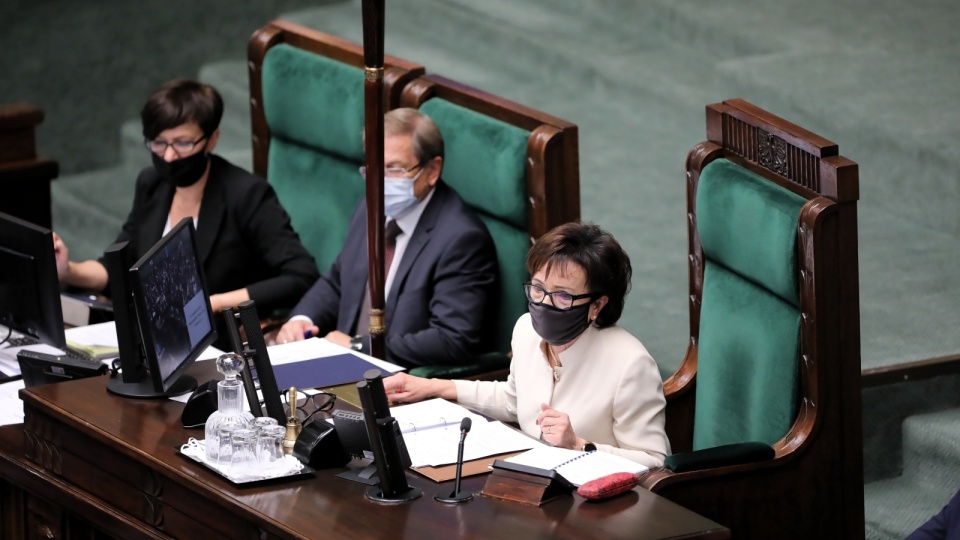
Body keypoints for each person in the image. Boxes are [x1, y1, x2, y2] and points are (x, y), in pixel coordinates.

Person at [382, 221, 670, 467]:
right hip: (531, 481)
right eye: (538, 288)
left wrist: (580, 444)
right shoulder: (526, 330)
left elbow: (654, 460)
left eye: (563, 296)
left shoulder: (630, 364)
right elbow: (514, 401)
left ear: (597, 305)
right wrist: (434, 387)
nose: (544, 303)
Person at [54, 79, 319, 316]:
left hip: (219, 340)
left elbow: (301, 276)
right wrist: (68, 270)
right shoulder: (152, 183)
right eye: (158, 143)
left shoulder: (246, 194)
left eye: (182, 143)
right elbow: (120, 268)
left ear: (212, 139)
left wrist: (212, 304)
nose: (169, 157)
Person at [276, 108, 498, 369]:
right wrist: (301, 319)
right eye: (372, 168)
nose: (379, 183)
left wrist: (358, 347)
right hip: (339, 365)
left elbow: (452, 339)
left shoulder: (461, 239)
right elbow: (339, 279)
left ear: (432, 170)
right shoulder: (369, 209)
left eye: (394, 169)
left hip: (396, 382)